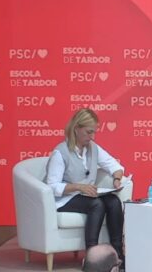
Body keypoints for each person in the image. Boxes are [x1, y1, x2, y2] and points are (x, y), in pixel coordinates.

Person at [46, 109, 125, 261]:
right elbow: (52, 186)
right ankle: (91, 258)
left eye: (94, 132)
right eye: (89, 132)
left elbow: (114, 165)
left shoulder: (93, 148)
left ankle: (118, 254)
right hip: (65, 199)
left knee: (114, 201)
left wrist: (116, 178)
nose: (92, 137)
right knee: (97, 204)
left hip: (86, 195)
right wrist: (78, 187)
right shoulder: (60, 152)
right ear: (76, 129)